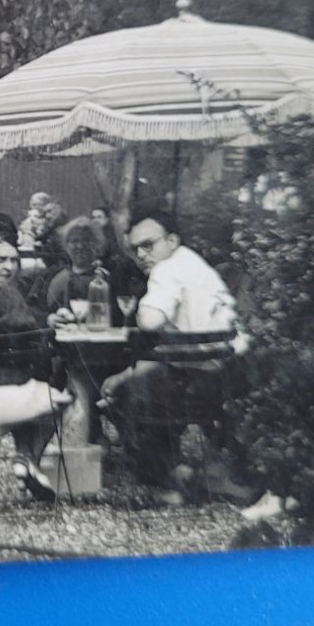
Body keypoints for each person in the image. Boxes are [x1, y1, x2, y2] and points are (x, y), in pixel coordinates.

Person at [99, 214, 250, 501]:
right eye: (135, 249)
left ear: (171, 240)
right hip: (230, 374)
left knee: (120, 394)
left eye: (148, 245)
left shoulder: (166, 270)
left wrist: (142, 307)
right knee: (137, 379)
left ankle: (171, 476)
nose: (142, 255)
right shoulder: (194, 263)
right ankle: (197, 470)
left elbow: (150, 321)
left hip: (198, 380)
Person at [0, 231, 71, 500]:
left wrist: (45, 320)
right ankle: (28, 458)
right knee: (65, 393)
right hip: (9, 398)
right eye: (0, 260)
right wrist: (50, 329)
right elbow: (32, 335)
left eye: (14, 260)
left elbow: (15, 324)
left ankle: (24, 462)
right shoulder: (6, 293)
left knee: (26, 383)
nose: (9, 267)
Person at [44, 217, 122, 326]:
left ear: (96, 244)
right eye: (74, 241)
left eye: (85, 240)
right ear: (66, 245)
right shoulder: (54, 277)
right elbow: (39, 311)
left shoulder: (109, 278)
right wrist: (49, 319)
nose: (80, 246)